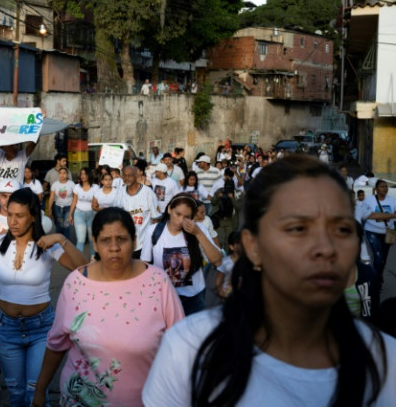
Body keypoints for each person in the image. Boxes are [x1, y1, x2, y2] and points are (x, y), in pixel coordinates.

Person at [142, 154, 396, 407]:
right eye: (298, 228)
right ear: (253, 246)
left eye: (342, 229)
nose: (326, 248)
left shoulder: (386, 363)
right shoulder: (188, 349)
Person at [32, 208, 184, 407]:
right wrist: (40, 390)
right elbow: (56, 343)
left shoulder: (158, 282)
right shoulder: (75, 284)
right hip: (82, 400)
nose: (114, 248)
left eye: (121, 239)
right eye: (105, 240)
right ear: (94, 242)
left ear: (134, 241)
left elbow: (179, 345)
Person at [0, 189, 88, 407]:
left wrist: (62, 239)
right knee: (16, 393)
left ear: (33, 217)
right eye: (10, 215)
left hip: (41, 328)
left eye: (20, 216)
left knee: (36, 394)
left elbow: (83, 269)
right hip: (6, 329)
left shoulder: (47, 245)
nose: (13, 221)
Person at [140, 193, 222, 315]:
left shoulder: (199, 229)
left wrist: (198, 233)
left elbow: (218, 260)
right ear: (169, 209)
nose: (180, 221)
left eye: (186, 217)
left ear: (192, 217)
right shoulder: (153, 230)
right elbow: (145, 264)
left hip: (194, 298)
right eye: (177, 214)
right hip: (164, 297)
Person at [114, 165, 161, 259]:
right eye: (125, 175)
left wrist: (152, 240)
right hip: (125, 243)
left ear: (136, 176)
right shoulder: (119, 193)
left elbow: (156, 218)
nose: (127, 178)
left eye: (130, 175)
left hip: (144, 243)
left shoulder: (148, 192)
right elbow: (115, 216)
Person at [361, 179, 396, 284]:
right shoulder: (369, 200)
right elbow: (364, 215)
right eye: (382, 187)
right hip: (372, 232)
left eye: (386, 186)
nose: (385, 188)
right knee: (378, 256)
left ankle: (378, 275)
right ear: (376, 189)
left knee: (383, 258)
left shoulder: (393, 200)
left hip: (388, 234)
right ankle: (375, 280)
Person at [69, 167, 98, 255]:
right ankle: (79, 262)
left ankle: (93, 259)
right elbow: (74, 201)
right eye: (81, 174)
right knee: (80, 239)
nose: (83, 176)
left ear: (89, 175)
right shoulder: (77, 187)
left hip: (92, 214)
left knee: (91, 239)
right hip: (79, 214)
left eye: (85, 174)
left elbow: (96, 203)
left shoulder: (96, 188)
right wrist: (70, 214)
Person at [47, 167, 75, 240]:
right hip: (58, 207)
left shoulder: (71, 184)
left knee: (66, 226)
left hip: (68, 207)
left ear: (67, 175)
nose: (62, 175)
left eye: (64, 173)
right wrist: (49, 209)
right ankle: (58, 245)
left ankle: (66, 245)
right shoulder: (55, 184)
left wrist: (72, 211)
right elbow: (52, 197)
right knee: (59, 226)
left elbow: (75, 197)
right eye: (60, 173)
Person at [215, 231, 241, 300]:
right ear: (231, 247)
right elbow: (218, 283)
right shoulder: (225, 262)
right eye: (239, 243)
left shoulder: (247, 261)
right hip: (228, 297)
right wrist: (223, 296)